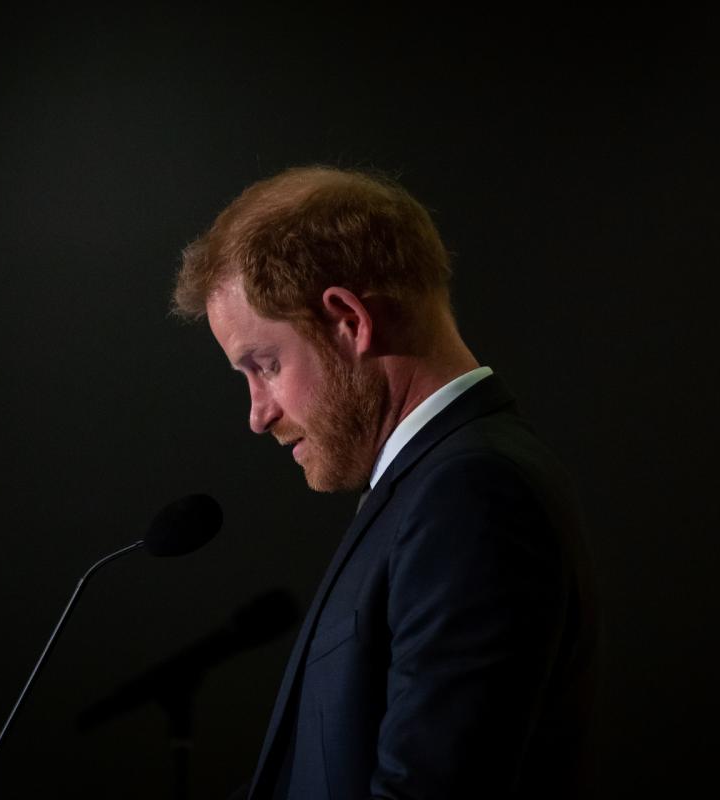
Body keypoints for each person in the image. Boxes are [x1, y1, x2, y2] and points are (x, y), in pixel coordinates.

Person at [172, 166, 599, 799]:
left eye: (265, 365)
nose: (258, 415)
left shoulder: (472, 496)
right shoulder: (431, 484)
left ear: (349, 321)